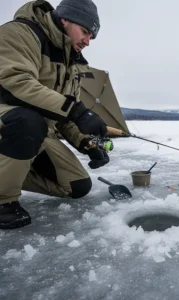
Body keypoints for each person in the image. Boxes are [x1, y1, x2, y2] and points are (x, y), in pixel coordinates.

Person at [0, 0, 110, 229]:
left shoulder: (71, 64)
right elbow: (17, 83)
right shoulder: (21, 32)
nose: (88, 42)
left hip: (38, 133)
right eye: (86, 32)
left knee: (77, 187)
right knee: (28, 122)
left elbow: (63, 114)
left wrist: (86, 144)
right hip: (9, 118)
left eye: (92, 37)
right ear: (66, 19)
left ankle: (9, 172)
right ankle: (3, 201)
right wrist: (76, 111)